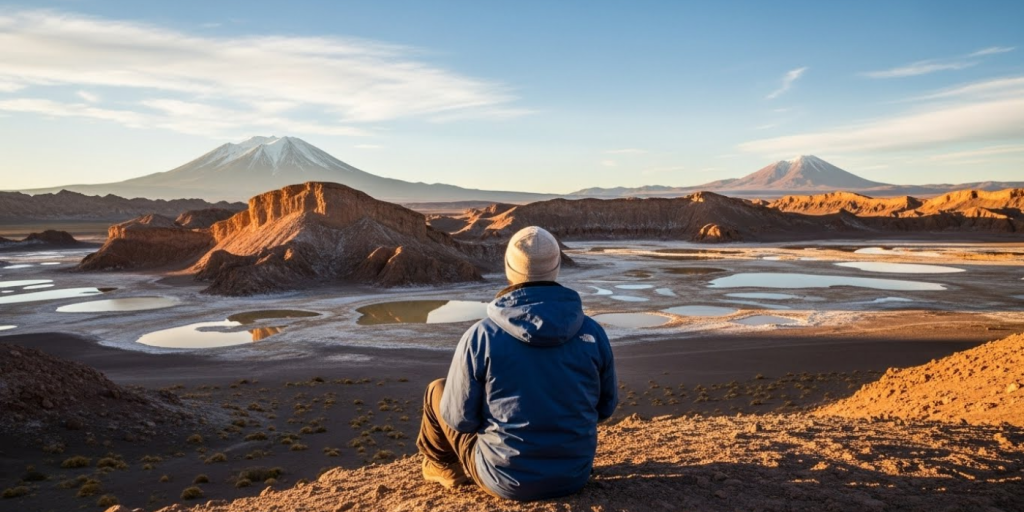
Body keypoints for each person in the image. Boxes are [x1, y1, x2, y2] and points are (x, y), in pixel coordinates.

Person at [416, 225, 618, 501]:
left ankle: (442, 466)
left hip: (503, 478)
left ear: (509, 270)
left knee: (436, 390)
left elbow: (460, 419)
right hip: (574, 475)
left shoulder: (481, 336)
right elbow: (605, 408)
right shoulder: (593, 333)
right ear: (557, 268)